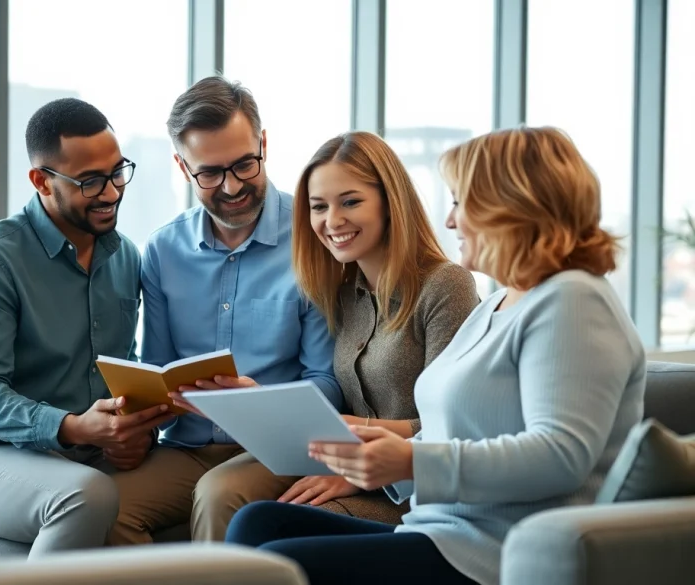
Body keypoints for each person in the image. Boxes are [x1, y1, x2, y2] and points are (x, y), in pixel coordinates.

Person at [225, 126, 647, 585]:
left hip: (489, 551)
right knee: (258, 523)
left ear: (513, 207)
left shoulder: (573, 301)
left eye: (460, 203)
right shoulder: (500, 304)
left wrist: (409, 461)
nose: (450, 221)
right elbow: (452, 431)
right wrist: (378, 454)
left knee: (276, 562)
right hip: (438, 529)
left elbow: (561, 456)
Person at [0, 98, 173, 558]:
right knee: (88, 495)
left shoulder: (126, 257)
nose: (113, 192)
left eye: (118, 172)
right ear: (41, 181)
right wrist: (76, 428)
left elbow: (123, 368)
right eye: (91, 181)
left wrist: (136, 432)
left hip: (80, 454)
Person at [107, 76, 341, 545]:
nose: (232, 187)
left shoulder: (314, 238)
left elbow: (330, 385)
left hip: (276, 449)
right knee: (103, 504)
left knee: (219, 494)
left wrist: (262, 404)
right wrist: (143, 409)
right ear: (182, 166)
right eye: (210, 173)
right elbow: (158, 369)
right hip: (187, 447)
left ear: (264, 144)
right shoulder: (163, 250)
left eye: (244, 165)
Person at [276, 131, 479, 523]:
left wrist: (363, 440)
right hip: (359, 475)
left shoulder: (445, 286)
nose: (332, 221)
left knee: (270, 524)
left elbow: (457, 423)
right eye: (319, 207)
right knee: (256, 513)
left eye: (350, 202)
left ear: (390, 203)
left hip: (418, 491)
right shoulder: (343, 293)